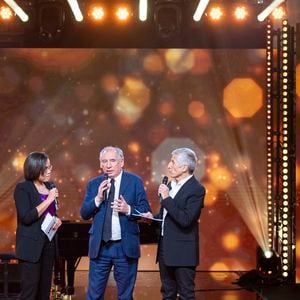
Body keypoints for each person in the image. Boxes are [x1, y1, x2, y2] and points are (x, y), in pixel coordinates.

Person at [80, 146, 151, 300]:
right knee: (93, 296)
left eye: (112, 161)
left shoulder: (134, 181)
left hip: (124, 247)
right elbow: (84, 213)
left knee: (125, 296)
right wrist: (97, 199)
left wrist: (128, 209)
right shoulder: (94, 184)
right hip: (100, 248)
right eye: (104, 161)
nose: (108, 165)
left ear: (122, 162)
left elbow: (145, 209)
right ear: (100, 164)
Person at [143, 147, 205, 300]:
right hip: (165, 249)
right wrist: (152, 218)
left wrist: (166, 198)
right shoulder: (171, 186)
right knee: (167, 293)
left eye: (173, 162)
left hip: (183, 252)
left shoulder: (196, 189)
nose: (169, 165)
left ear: (184, 167)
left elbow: (185, 219)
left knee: (186, 294)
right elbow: (168, 216)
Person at [14, 151, 62, 300]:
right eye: (45, 168)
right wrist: (48, 199)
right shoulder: (23, 188)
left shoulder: (50, 186)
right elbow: (26, 218)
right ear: (35, 168)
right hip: (30, 248)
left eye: (50, 167)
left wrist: (57, 220)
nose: (49, 171)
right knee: (30, 292)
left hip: (48, 245)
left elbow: (51, 213)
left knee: (44, 292)